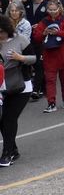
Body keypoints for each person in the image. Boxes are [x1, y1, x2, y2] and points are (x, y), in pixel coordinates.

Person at [0, 14, 35, 167]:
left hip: (20, 85)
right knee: (2, 120)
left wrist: (20, 58)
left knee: (9, 118)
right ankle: (13, 149)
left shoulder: (20, 39)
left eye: (1, 31)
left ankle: (7, 153)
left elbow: (34, 58)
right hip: (2, 87)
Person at [31, 0, 64, 112]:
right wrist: (44, 33)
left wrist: (58, 33)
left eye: (54, 9)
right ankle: (51, 103)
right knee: (50, 80)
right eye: (50, 10)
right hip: (49, 55)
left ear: (59, 8)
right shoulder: (44, 22)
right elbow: (36, 37)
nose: (52, 12)